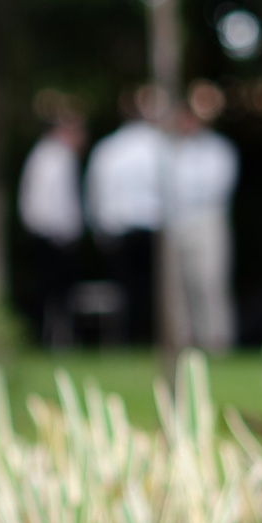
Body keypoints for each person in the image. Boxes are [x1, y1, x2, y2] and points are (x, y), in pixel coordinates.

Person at [86, 87, 168, 346]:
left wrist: (99, 227)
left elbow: (95, 192)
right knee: (151, 290)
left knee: (125, 289)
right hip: (152, 228)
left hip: (118, 230)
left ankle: (128, 339)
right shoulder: (160, 144)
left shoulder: (108, 149)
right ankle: (150, 337)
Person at [167, 83, 239, 354]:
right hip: (176, 222)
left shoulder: (218, 150)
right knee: (177, 286)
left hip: (207, 220)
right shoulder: (171, 150)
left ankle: (216, 339)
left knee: (209, 281)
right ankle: (183, 341)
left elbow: (215, 187)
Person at [18, 104, 87, 348]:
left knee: (54, 293)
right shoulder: (54, 157)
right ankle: (53, 339)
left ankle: (56, 338)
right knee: (53, 293)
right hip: (52, 236)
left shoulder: (46, 155)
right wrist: (65, 233)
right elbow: (53, 203)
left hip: (49, 234)